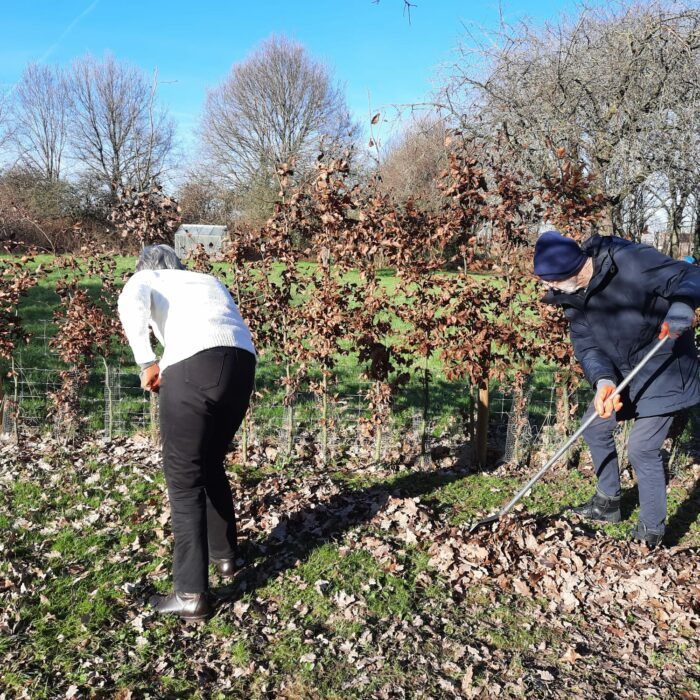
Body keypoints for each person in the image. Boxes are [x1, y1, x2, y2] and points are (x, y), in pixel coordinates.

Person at [533, 231, 700, 546]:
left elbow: (691, 274)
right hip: (623, 372)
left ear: (574, 268)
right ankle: (608, 502)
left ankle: (651, 533)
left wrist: (682, 304)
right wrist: (603, 381)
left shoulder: (632, 261)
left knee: (642, 448)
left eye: (551, 281)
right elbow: (587, 344)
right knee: (594, 424)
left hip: (665, 367)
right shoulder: (571, 294)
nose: (548, 288)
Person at [118, 244, 256, 620]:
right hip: (242, 364)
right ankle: (227, 558)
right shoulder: (207, 279)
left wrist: (146, 361)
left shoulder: (147, 278)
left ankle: (191, 594)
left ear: (145, 267)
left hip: (193, 365)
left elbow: (131, 300)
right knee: (210, 463)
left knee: (183, 480)